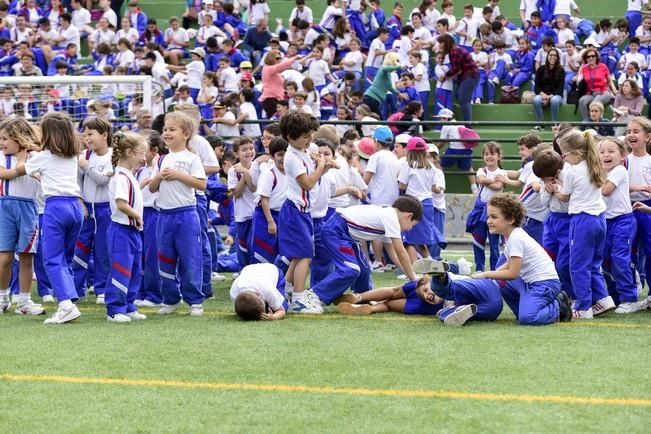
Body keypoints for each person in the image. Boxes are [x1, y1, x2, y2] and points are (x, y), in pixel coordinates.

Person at [449, 193, 570, 325]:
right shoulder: (510, 236)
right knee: (504, 286)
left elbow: (513, 273)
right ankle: (523, 309)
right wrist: (492, 276)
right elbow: (509, 264)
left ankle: (559, 305)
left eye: (494, 217)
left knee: (528, 318)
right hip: (529, 282)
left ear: (511, 219)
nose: (488, 221)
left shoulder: (516, 238)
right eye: (488, 216)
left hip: (544, 284)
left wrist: (485, 274)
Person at [310, 196, 422, 310]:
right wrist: (413, 277)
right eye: (412, 225)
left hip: (348, 235)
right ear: (409, 216)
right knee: (351, 270)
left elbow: (393, 254)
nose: (409, 229)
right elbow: (401, 252)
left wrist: (409, 275)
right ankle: (313, 296)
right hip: (336, 231)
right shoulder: (391, 217)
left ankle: (362, 297)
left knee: (364, 269)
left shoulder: (390, 216)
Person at [23, 113, 83, 324]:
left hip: (55, 206)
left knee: (52, 258)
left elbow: (29, 170)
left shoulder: (42, 157)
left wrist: (32, 155)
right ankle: (69, 299)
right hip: (76, 206)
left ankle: (66, 305)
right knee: (65, 257)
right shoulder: (73, 155)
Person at [551, 128, 615, 319]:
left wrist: (554, 189)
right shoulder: (594, 164)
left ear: (576, 153)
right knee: (594, 263)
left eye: (564, 154)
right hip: (599, 219)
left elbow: (564, 196)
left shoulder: (572, 171)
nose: (563, 158)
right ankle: (603, 298)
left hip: (582, 220)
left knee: (577, 265)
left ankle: (584, 306)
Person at [148, 112, 207, 317]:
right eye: (165, 129)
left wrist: (179, 175)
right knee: (165, 258)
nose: (167, 132)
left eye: (172, 129)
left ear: (186, 134)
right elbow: (153, 188)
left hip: (186, 215)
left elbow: (201, 184)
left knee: (190, 258)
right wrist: (158, 176)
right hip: (164, 215)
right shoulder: (162, 159)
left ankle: (195, 300)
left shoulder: (192, 158)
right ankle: (170, 299)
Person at [277, 111, 329, 314]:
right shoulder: (292, 157)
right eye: (305, 136)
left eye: (310, 135)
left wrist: (324, 167)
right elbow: (307, 183)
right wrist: (322, 166)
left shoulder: (303, 152)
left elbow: (312, 177)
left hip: (302, 211)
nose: (310, 140)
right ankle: (298, 298)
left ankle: (289, 290)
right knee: (306, 255)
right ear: (290, 137)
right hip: (295, 211)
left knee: (299, 256)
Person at [0, 117, 45, 316]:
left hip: (28, 209)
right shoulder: (2, 156)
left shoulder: (36, 155)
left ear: (19, 138)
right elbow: (5, 174)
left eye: (5, 138)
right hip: (4, 207)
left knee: (27, 256)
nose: (2, 143)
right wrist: (21, 163)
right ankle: (3, 298)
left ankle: (24, 302)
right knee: (4, 257)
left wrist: (28, 156)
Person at [598, 137, 645, 313]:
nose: (605, 155)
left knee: (620, 258)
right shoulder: (602, 172)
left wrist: (595, 174)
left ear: (622, 155)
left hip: (622, 221)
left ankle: (629, 297)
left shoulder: (619, 170)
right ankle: (614, 296)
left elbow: (605, 190)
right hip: (604, 221)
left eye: (611, 151)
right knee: (605, 260)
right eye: (601, 152)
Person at [104, 132, 147, 323]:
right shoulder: (120, 175)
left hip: (132, 232)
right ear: (129, 152)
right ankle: (114, 309)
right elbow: (121, 203)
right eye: (141, 153)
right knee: (121, 269)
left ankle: (129, 305)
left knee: (134, 269)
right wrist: (137, 215)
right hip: (121, 230)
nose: (143, 158)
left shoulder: (129, 175)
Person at [72, 117, 113, 304]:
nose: (87, 138)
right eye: (85, 134)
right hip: (87, 209)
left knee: (103, 250)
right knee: (80, 248)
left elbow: (103, 180)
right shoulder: (84, 156)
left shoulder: (113, 155)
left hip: (106, 209)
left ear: (104, 135)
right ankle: (77, 288)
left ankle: (102, 289)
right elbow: (77, 183)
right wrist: (80, 201)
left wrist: (86, 166)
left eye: (91, 134)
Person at [533, 148, 574, 300]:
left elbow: (568, 200)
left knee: (564, 263)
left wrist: (558, 189)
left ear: (556, 172)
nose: (544, 181)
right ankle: (556, 291)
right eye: (542, 179)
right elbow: (544, 202)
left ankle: (571, 294)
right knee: (548, 258)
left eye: (546, 178)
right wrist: (548, 191)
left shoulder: (567, 176)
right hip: (552, 219)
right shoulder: (545, 180)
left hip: (568, 220)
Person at [363, 126, 401, 272]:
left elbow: (366, 179)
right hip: (393, 200)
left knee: (375, 233)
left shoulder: (375, 157)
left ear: (376, 141)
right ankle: (395, 262)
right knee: (388, 235)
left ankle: (378, 261)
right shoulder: (393, 157)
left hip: (379, 199)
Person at [134, 130, 164, 307]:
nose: (139, 154)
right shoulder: (140, 169)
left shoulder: (159, 166)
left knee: (152, 255)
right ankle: (141, 290)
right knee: (140, 254)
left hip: (154, 213)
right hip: (140, 213)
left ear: (154, 150)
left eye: (142, 149)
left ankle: (155, 294)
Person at [398, 136, 439, 262]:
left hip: (411, 204)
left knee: (409, 239)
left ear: (410, 152)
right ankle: (430, 263)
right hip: (427, 204)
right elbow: (433, 187)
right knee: (420, 240)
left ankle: (413, 268)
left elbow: (402, 185)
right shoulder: (431, 167)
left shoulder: (408, 165)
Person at [466, 142, 505, 272]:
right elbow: (481, 180)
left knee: (494, 244)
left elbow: (498, 187)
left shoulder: (502, 172)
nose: (489, 157)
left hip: (496, 211)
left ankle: (495, 270)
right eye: (486, 154)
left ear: (499, 156)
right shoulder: (481, 171)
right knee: (478, 241)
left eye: (492, 154)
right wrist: (494, 180)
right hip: (480, 210)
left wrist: (492, 181)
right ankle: (479, 268)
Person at [624, 117, 651, 304]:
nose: (631, 135)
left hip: (647, 210)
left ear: (648, 137)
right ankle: (629, 294)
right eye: (628, 132)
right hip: (626, 210)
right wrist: (635, 187)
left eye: (636, 131)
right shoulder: (623, 161)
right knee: (627, 253)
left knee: (650, 252)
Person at [251, 137, 287, 265]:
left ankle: (277, 282)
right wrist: (270, 222)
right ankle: (257, 283)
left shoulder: (292, 173)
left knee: (281, 253)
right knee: (262, 254)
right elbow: (264, 200)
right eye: (280, 154)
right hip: (266, 216)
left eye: (286, 154)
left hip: (283, 216)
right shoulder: (269, 173)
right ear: (272, 156)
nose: (283, 158)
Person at [335, 277, 443, 316]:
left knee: (393, 292)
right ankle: (372, 308)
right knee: (388, 305)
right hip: (423, 302)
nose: (426, 296)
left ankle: (359, 297)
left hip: (424, 305)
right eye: (424, 292)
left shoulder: (431, 289)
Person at [227, 137, 257, 267]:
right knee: (243, 247)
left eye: (251, 148)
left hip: (256, 214)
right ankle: (244, 271)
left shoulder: (258, 167)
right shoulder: (233, 171)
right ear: (236, 154)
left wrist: (246, 172)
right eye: (244, 149)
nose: (249, 152)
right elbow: (237, 193)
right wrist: (244, 176)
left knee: (254, 246)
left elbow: (254, 188)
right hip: (241, 215)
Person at [436, 33, 479, 121]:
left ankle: (468, 124)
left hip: (470, 75)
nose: (439, 45)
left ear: (446, 43)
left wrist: (445, 76)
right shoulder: (453, 51)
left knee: (463, 99)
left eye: (441, 43)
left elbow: (456, 69)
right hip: (465, 76)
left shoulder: (455, 51)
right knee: (459, 95)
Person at [577, 48, 616, 123]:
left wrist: (614, 90)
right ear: (586, 58)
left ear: (596, 57)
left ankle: (599, 123)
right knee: (582, 101)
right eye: (588, 57)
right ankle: (586, 121)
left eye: (593, 56)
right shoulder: (584, 68)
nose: (591, 58)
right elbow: (579, 81)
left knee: (594, 104)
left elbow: (609, 79)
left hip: (603, 92)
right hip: (591, 93)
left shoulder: (603, 66)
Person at [259, 49, 300, 119]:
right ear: (271, 58)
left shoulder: (275, 71)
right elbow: (282, 65)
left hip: (277, 99)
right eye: (277, 58)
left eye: (280, 58)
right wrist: (295, 58)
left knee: (279, 121)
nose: (279, 60)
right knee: (275, 121)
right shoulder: (268, 69)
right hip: (270, 99)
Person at [532, 48, 564, 131]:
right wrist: (543, 95)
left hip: (556, 95)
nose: (552, 57)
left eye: (555, 55)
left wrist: (550, 96)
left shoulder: (561, 70)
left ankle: (554, 124)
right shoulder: (541, 69)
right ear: (547, 56)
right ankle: (540, 124)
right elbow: (536, 87)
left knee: (554, 101)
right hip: (542, 94)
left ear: (557, 57)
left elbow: (560, 88)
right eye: (551, 55)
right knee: (536, 100)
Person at [362, 52, 401, 116]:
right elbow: (384, 69)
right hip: (371, 98)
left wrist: (399, 94)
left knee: (373, 118)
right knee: (379, 118)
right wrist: (398, 67)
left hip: (375, 100)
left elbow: (389, 87)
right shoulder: (383, 69)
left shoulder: (388, 74)